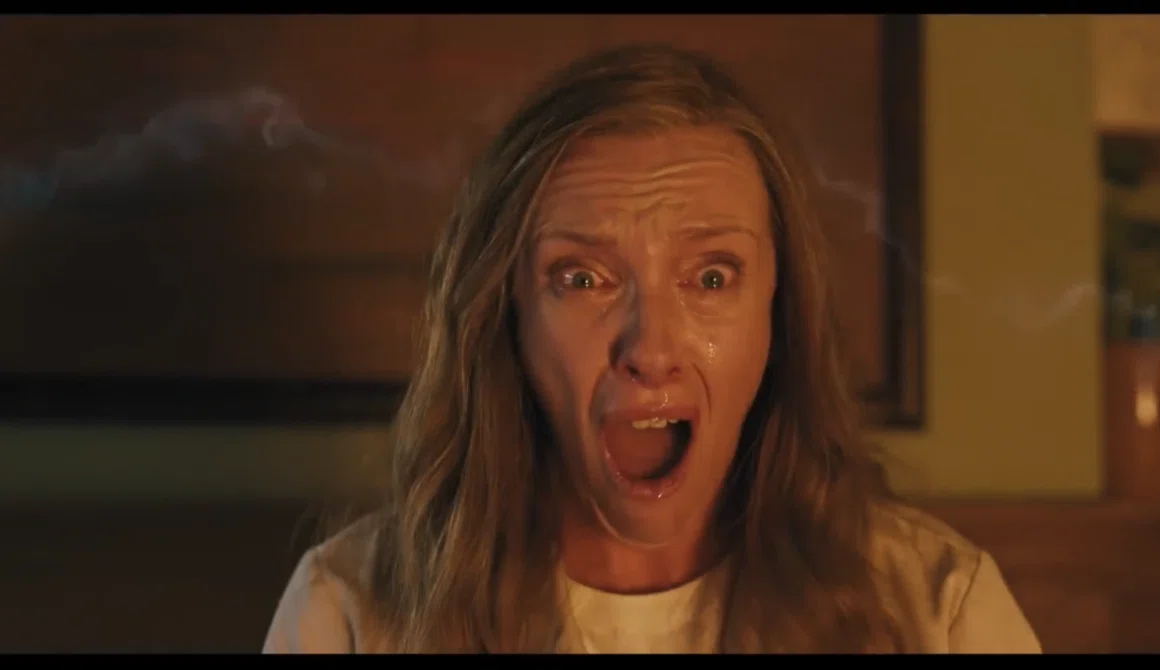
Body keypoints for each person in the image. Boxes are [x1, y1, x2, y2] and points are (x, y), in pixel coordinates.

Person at [262, 43, 1042, 654]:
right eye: (582, 278)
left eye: (711, 276)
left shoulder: (939, 611)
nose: (652, 348)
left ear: (780, 316)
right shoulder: (349, 612)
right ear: (505, 317)